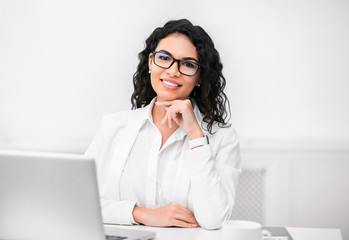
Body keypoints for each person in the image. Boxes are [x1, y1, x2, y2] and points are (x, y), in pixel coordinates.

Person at [85, 19, 241, 230]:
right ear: (151, 62)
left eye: (188, 64)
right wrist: (140, 214)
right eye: (164, 58)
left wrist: (196, 135)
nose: (173, 71)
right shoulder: (113, 126)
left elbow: (213, 219)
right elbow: (77, 200)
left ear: (200, 77)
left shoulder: (223, 137)